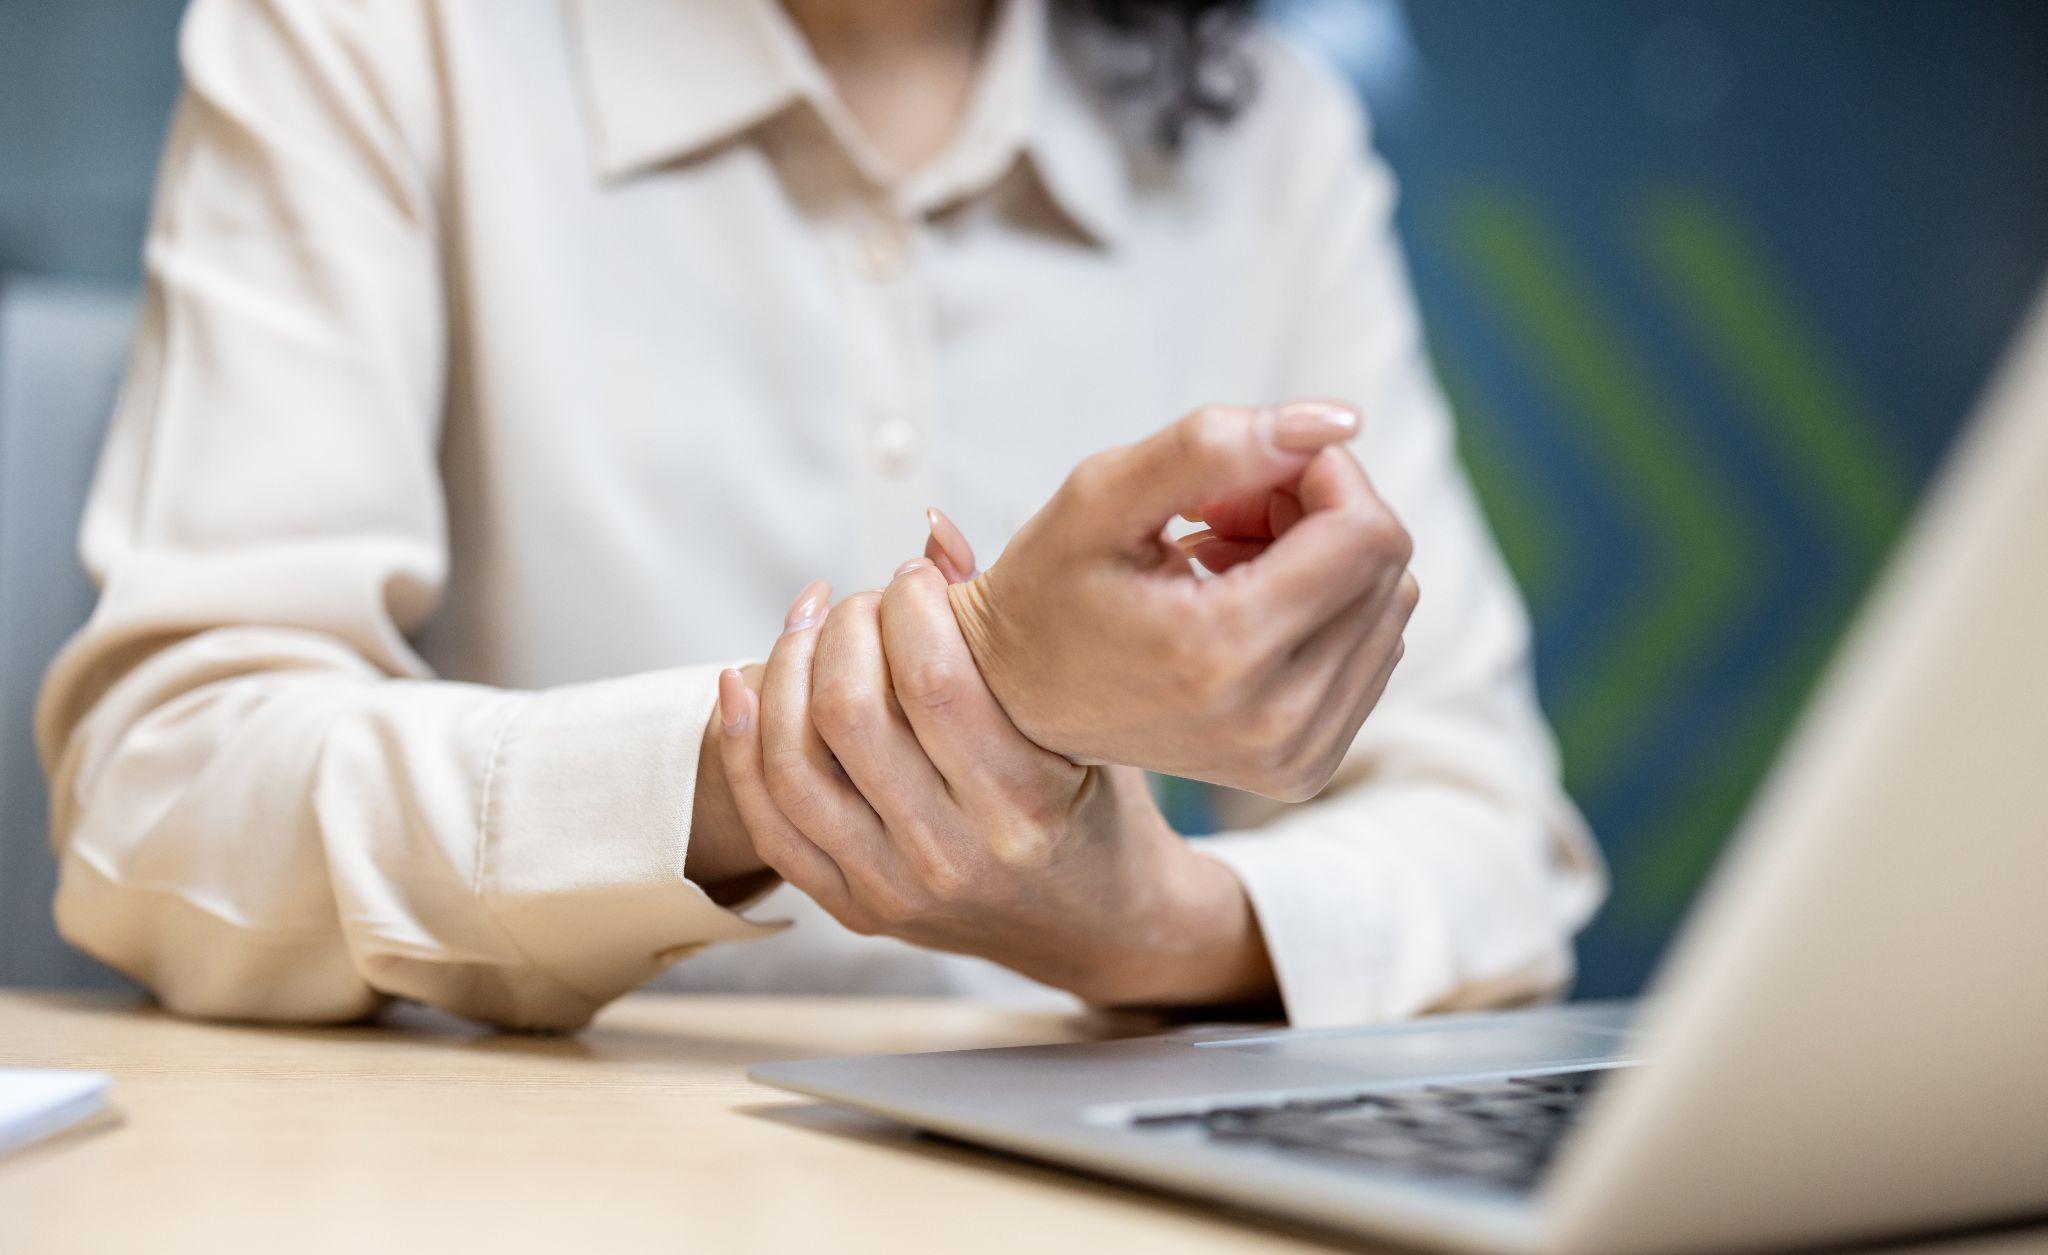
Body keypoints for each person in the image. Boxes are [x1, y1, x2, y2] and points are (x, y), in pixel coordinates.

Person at [35, 0, 1604, 1032]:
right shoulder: (378, 38)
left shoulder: (1271, 139)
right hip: (515, 1213)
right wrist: (872, 734)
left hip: (1104, 1240)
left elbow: (1495, 846)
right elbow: (168, 793)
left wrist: (1145, 927)